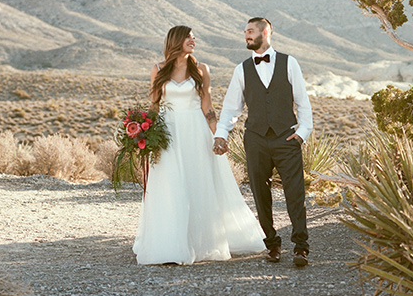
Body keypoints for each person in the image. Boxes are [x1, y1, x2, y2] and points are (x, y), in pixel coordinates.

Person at [133, 25, 265, 265]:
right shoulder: (158, 70)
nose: (193, 41)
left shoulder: (201, 69)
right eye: (188, 38)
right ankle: (169, 245)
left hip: (195, 132)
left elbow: (208, 106)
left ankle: (199, 243)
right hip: (167, 133)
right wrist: (142, 132)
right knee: (170, 184)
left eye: (194, 38)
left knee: (197, 183)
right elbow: (154, 105)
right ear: (176, 41)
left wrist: (218, 135)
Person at [213, 17, 313, 267]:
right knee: (260, 193)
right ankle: (272, 244)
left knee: (295, 193)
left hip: (286, 138)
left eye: (250, 31)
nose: (246, 35)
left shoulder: (290, 63)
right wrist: (221, 134)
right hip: (255, 139)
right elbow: (231, 109)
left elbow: (302, 101)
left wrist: (302, 132)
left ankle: (300, 247)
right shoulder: (241, 69)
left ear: (266, 32)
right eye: (245, 32)